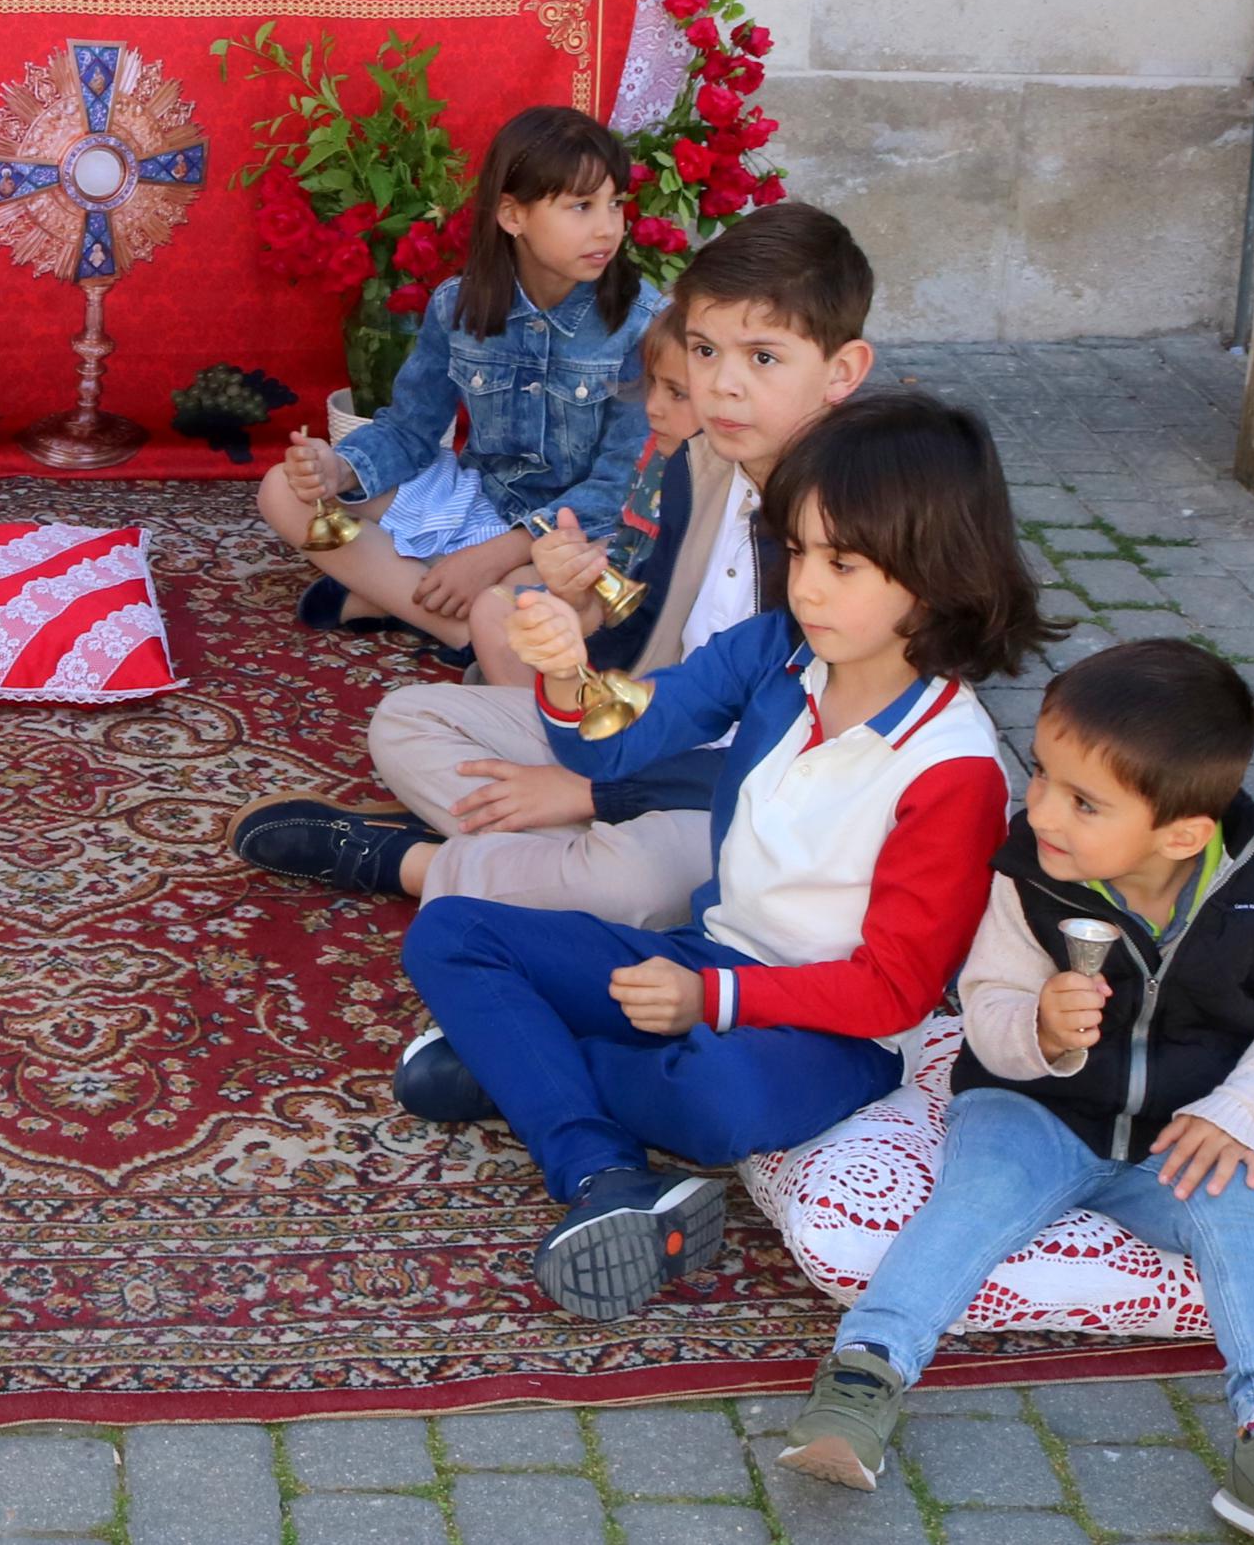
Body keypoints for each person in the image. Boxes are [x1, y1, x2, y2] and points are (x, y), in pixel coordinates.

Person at [398, 392, 1053, 1320]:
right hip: (705, 954)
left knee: (720, 1101)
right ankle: (604, 1171)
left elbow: (894, 991)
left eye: (844, 563)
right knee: (451, 930)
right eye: (795, 551)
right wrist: (565, 669)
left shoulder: (955, 770)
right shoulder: (777, 651)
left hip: (838, 1031)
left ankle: (527, 1074)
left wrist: (713, 1001)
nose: (807, 585)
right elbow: (616, 742)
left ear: (935, 574)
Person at [776, 638, 1254, 1545]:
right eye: (1043, 775)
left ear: (1181, 833)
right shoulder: (1029, 879)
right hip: (1031, 1107)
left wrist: (1235, 1115)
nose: (1042, 808)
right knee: (974, 1200)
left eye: (1082, 801)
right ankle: (865, 1369)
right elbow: (985, 1004)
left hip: (1178, 1131)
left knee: (1245, 1210)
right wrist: (1041, 1031)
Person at [235, 204, 879, 920]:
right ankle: (545, 853)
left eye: (761, 357)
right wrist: (578, 615)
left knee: (638, 883)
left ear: (840, 370)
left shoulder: (856, 523)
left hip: (746, 792)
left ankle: (416, 862)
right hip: (648, 730)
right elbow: (648, 660)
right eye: (703, 350)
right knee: (404, 719)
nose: (721, 384)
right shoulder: (698, 464)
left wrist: (589, 793)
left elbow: (811, 761)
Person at [258, 106, 660, 650]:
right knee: (282, 492)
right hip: (480, 501)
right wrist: (340, 469)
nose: (607, 227)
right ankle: (456, 627)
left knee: (526, 601)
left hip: (575, 537)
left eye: (615, 204)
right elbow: (410, 430)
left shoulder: (641, 325)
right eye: (581, 206)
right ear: (512, 216)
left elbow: (621, 485)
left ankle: (401, 600)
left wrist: (497, 555)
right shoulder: (458, 306)